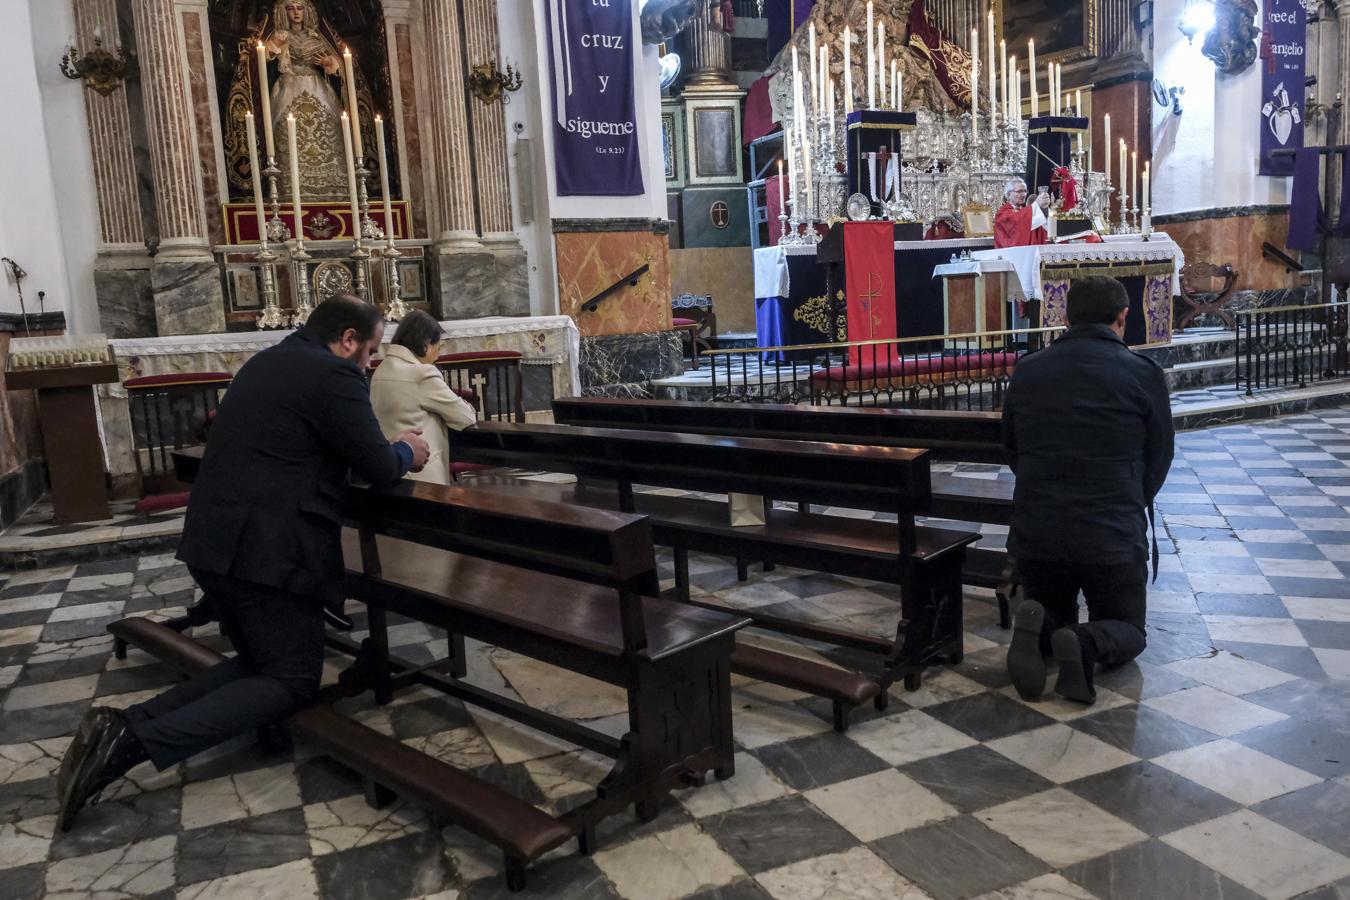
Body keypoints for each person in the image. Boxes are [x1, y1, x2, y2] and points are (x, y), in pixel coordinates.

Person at [55, 296, 431, 831]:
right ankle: (132, 744)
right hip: (266, 551)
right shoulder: (333, 375)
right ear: (348, 339)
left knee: (261, 664)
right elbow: (375, 463)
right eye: (370, 350)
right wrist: (407, 452)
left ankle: (118, 724)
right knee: (294, 678)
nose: (371, 362)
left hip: (215, 541)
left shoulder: (267, 360)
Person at [1002, 276, 1173, 704]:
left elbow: (1012, 449)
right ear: (1123, 317)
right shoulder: (1143, 373)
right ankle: (1084, 643)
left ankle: (1040, 626)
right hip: (1111, 534)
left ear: (1063, 315)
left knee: (1052, 608)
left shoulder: (1028, 370)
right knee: (1129, 630)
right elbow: (1160, 456)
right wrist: (1129, 497)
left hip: (1038, 533)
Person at [370, 310, 477, 485]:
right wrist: (467, 405)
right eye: (438, 347)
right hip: (422, 473)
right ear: (426, 344)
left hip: (391, 467)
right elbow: (465, 417)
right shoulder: (422, 373)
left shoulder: (381, 369)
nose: (438, 355)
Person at [994, 177, 1051, 248]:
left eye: (1025, 191)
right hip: (1010, 254)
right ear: (1009, 195)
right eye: (1019, 191)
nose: (1024, 194)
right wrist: (1036, 204)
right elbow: (1020, 224)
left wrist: (1044, 208)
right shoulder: (1003, 213)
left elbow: (1038, 223)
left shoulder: (1025, 211)